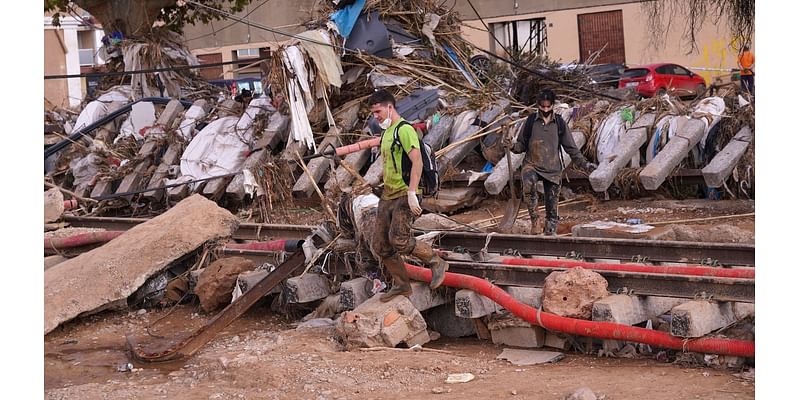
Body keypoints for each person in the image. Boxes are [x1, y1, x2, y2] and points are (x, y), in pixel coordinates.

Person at [367, 89, 448, 302]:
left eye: (378, 111)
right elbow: (389, 163)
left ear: (389, 107)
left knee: (399, 239)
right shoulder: (386, 133)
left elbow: (417, 161)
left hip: (406, 193)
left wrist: (412, 192)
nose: (376, 116)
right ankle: (402, 285)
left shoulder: (404, 130)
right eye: (374, 113)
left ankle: (436, 261)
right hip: (389, 194)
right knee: (380, 245)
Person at [505, 89, 596, 235]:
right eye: (542, 107)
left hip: (553, 169)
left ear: (553, 105)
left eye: (548, 107)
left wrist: (585, 164)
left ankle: (550, 231)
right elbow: (521, 146)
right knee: (528, 183)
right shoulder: (530, 122)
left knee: (552, 207)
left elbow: (571, 148)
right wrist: (511, 146)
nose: (545, 110)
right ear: (538, 105)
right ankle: (535, 221)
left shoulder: (559, 123)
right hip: (532, 165)